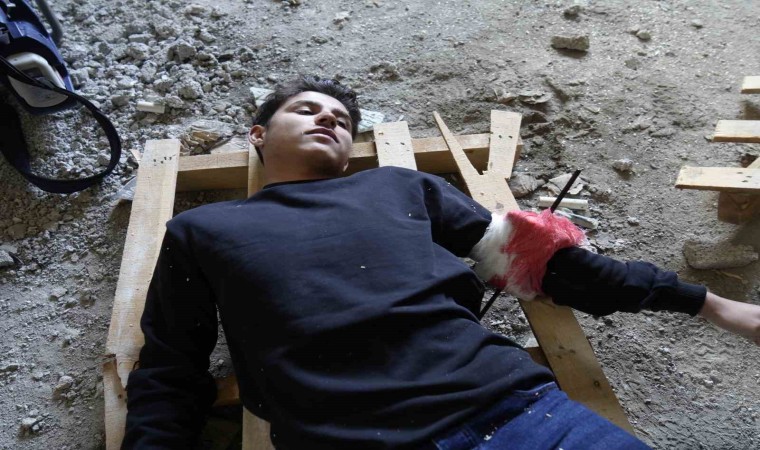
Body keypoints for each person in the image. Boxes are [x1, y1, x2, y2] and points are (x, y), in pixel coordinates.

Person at [123, 76, 760, 450]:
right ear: (259, 135)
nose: (328, 120)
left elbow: (545, 264)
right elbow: (172, 369)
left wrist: (710, 303)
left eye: (342, 119)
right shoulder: (202, 229)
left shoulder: (397, 187)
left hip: (518, 415)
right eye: (306, 110)